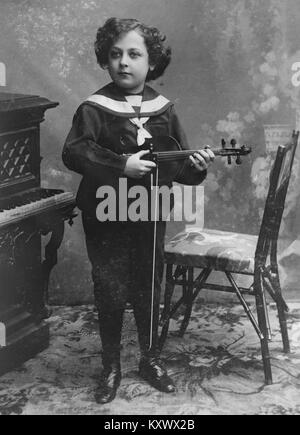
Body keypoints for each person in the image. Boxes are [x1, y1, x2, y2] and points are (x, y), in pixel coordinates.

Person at [62, 17, 215, 404]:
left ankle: (150, 359)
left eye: (134, 54)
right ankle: (111, 364)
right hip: (106, 210)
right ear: (105, 60)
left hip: (149, 209)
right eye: (115, 55)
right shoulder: (94, 108)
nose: (124, 63)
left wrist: (195, 166)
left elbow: (176, 166)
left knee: (150, 285)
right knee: (110, 287)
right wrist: (121, 166)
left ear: (152, 62)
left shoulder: (165, 110)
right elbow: (74, 151)